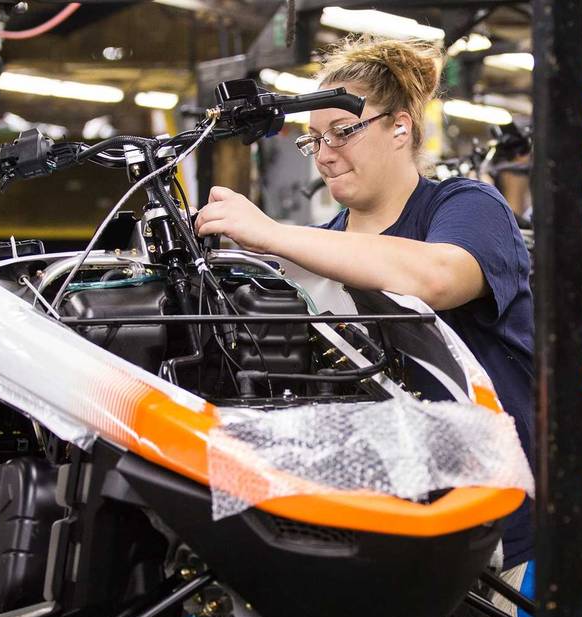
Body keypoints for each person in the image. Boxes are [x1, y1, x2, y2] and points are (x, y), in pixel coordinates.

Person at [195, 38, 536, 578]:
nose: (326, 153)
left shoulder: (466, 207)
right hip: (377, 522)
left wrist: (274, 234)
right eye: (314, 141)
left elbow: (438, 277)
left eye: (343, 131)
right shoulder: (321, 245)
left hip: (486, 525)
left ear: (400, 127)